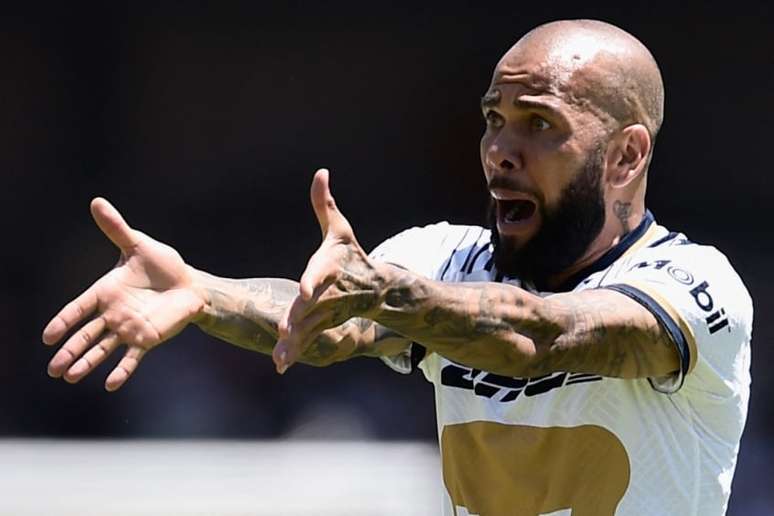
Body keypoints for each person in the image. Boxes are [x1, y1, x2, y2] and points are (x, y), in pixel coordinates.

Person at [43, 19, 752, 516]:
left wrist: (381, 293)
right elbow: (327, 326)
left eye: (538, 124)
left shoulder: (694, 286)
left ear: (627, 155)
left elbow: (542, 340)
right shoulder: (444, 258)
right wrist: (204, 293)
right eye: (492, 119)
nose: (499, 150)